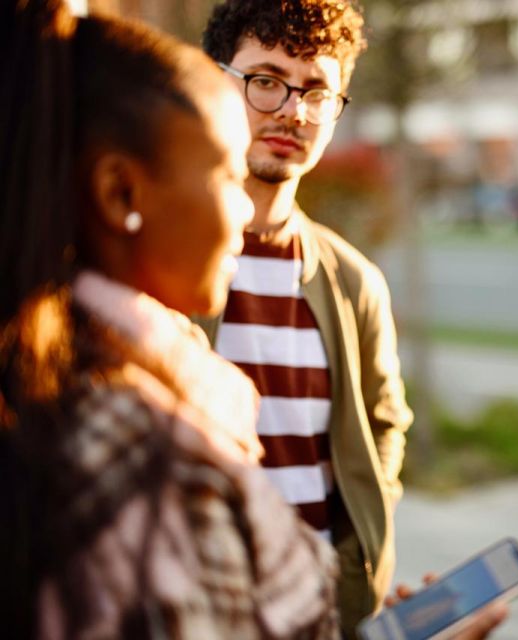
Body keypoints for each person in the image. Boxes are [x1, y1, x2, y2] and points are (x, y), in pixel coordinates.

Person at [0, 1, 341, 637]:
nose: (244, 210)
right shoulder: (145, 457)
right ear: (120, 193)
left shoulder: (55, 374)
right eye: (223, 174)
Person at [199, 2, 413, 635]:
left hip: (316, 609)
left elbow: (383, 428)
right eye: (265, 80)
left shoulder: (354, 280)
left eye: (317, 90)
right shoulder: (158, 255)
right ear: (215, 83)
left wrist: (354, 553)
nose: (293, 109)